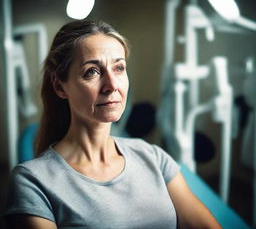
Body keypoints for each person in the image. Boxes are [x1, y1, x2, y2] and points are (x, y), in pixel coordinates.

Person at [4, 20, 221, 229]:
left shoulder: (152, 156)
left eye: (119, 68)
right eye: (92, 71)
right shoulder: (32, 181)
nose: (112, 85)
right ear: (60, 87)